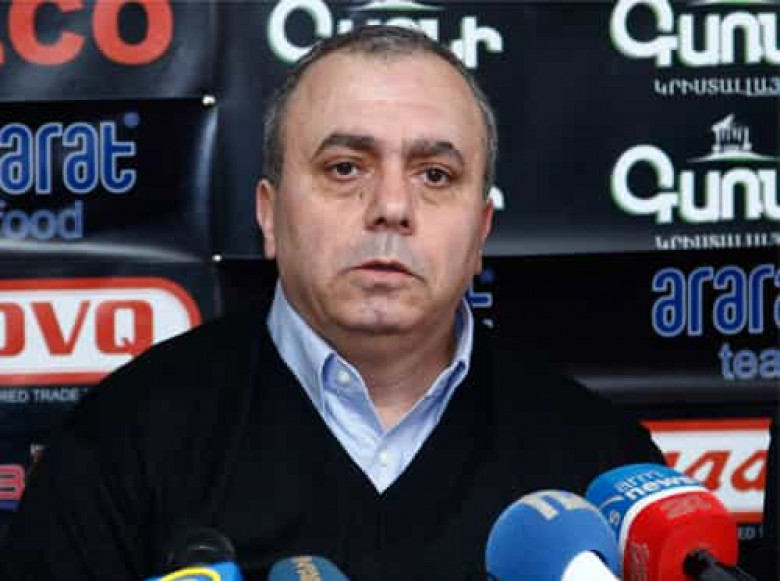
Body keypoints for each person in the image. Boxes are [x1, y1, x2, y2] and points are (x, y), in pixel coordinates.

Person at [0, 25, 663, 580]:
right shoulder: (122, 442)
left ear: (481, 231)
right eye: (345, 167)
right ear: (269, 214)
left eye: (435, 175)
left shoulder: (596, 458)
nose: (392, 207)